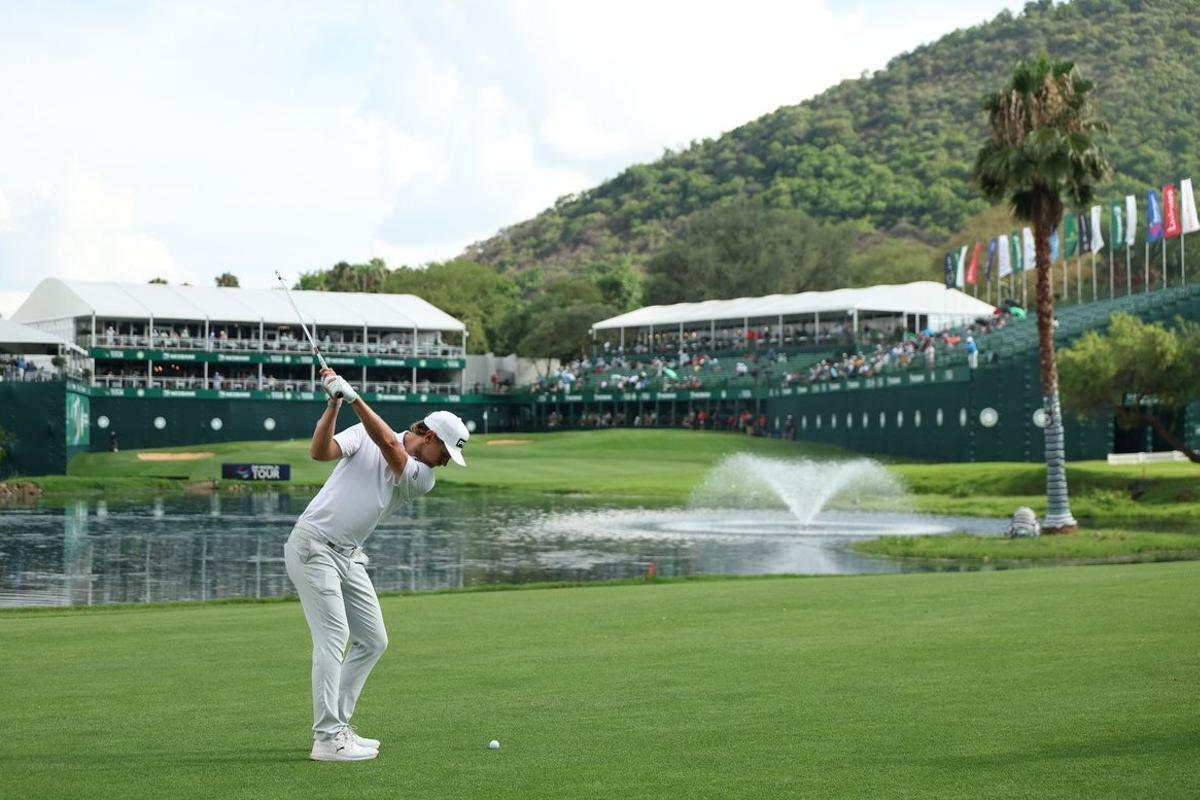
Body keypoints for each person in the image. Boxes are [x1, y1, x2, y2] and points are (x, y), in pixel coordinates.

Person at [286, 367, 468, 762]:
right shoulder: (365, 435)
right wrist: (334, 404)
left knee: (373, 639)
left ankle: (341, 727)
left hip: (347, 555)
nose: (447, 463)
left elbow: (388, 444)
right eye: (447, 453)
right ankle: (327, 738)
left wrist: (354, 398)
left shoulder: (422, 476)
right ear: (431, 437)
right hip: (313, 545)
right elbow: (320, 452)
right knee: (334, 637)